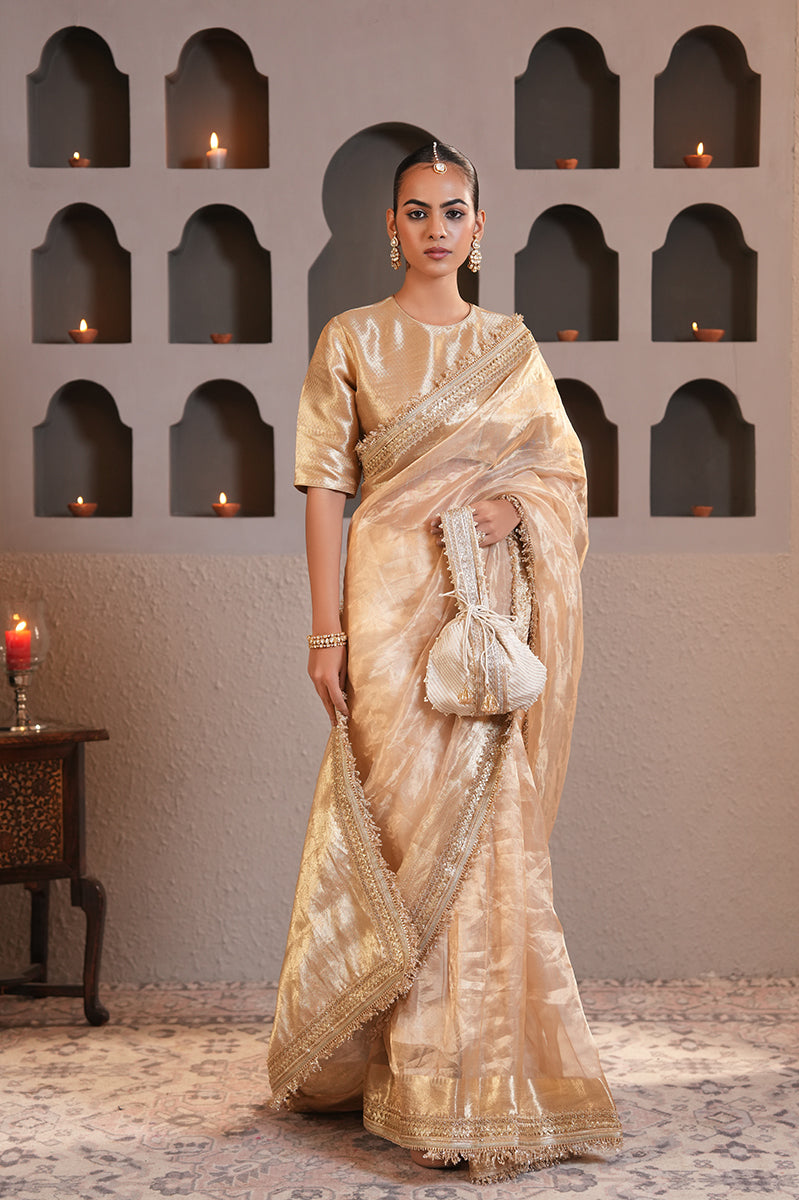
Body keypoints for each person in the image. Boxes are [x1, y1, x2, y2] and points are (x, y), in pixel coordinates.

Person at [267, 141, 622, 1185]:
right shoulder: (351, 339)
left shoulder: (509, 346)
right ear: (391, 227)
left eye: (452, 210)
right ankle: (397, 1071)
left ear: (479, 226)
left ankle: (476, 1085)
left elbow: (561, 475)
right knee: (399, 837)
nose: (434, 228)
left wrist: (514, 505)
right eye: (416, 211)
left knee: (489, 835)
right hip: (385, 612)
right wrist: (325, 631)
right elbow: (324, 487)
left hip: (481, 615)